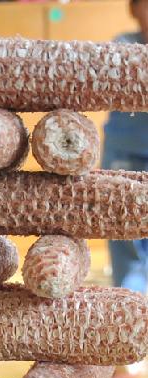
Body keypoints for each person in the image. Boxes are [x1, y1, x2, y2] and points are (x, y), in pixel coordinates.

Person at [102, 0, 148, 294]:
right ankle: (127, 305)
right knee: (125, 240)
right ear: (133, 9)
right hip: (125, 158)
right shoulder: (122, 48)